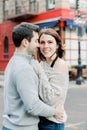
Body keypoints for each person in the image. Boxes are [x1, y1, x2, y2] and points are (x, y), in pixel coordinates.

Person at [2, 23, 64, 130]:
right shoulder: (24, 68)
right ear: (25, 42)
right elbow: (33, 106)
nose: (38, 45)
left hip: (11, 125)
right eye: (36, 41)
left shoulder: (13, 62)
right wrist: (55, 112)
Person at [32, 28, 69, 130]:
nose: (46, 46)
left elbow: (50, 99)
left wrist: (38, 69)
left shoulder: (60, 64)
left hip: (52, 123)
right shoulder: (42, 64)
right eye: (42, 42)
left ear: (57, 45)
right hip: (39, 119)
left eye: (50, 42)